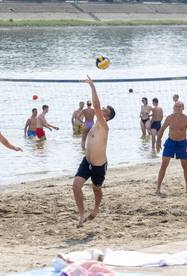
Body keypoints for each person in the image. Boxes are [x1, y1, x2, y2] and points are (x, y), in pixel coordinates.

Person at [72, 76, 116, 227]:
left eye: (105, 110)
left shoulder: (104, 125)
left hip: (99, 165)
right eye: (103, 108)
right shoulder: (95, 125)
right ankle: (82, 215)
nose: (102, 109)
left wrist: (92, 86)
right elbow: (88, 136)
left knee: (96, 189)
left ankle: (96, 209)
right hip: (87, 161)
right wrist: (82, 142)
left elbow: (96, 105)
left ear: (107, 117)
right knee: (76, 186)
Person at [156, 101, 187, 195]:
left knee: (185, 166)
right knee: (164, 165)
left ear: (183, 108)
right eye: (176, 106)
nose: (178, 108)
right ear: (173, 107)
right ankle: (158, 187)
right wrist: (158, 141)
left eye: (180, 106)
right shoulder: (169, 118)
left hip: (182, 143)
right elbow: (162, 130)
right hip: (171, 142)